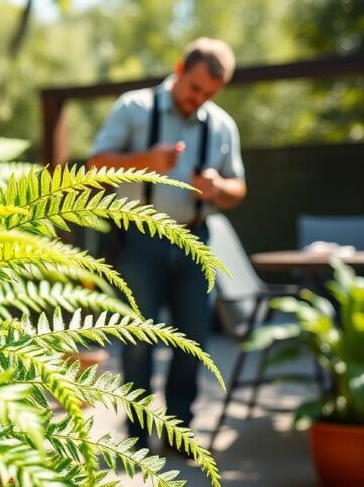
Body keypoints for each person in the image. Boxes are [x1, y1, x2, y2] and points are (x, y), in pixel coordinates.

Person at [86, 37, 246, 450]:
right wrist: (146, 162)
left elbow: (239, 189)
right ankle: (137, 440)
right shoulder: (134, 108)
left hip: (196, 241)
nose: (200, 99)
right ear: (179, 69)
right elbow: (93, 165)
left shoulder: (222, 124)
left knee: (192, 341)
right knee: (138, 343)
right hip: (141, 241)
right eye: (195, 88)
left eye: (210, 94)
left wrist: (218, 187)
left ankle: (180, 436)